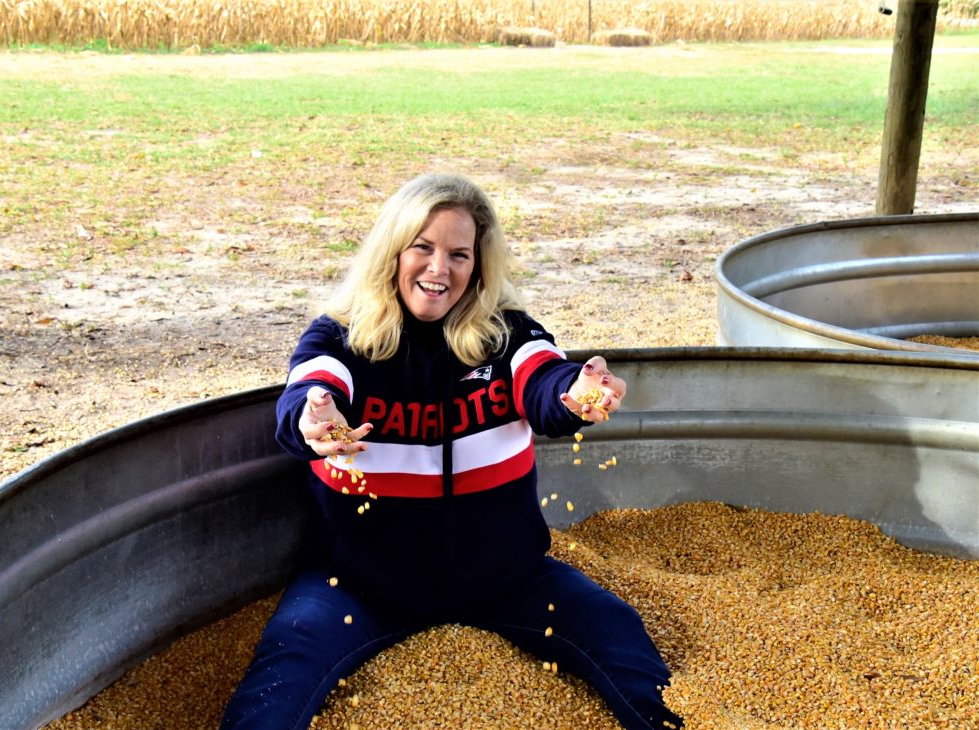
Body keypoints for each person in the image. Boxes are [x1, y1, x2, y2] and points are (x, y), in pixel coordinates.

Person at [220, 172, 682, 729]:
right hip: (358, 587)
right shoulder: (339, 336)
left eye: (459, 254)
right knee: (273, 691)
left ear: (479, 265)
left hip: (509, 580)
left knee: (627, 647)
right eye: (423, 247)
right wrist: (314, 418)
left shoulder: (505, 334)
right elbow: (307, 396)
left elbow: (543, 382)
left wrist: (577, 393)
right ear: (392, 251)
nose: (440, 269)